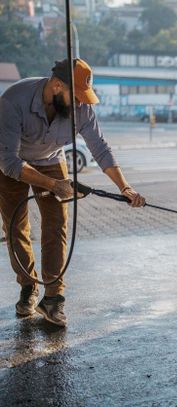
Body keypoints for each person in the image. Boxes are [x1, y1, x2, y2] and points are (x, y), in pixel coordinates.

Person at [0, 58, 146, 327]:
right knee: (15, 228)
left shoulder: (82, 109)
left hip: (51, 159)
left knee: (56, 225)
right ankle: (28, 287)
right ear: (56, 86)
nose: (81, 104)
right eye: (76, 97)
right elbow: (9, 162)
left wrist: (124, 187)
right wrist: (53, 185)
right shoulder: (13, 101)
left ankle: (53, 299)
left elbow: (100, 149)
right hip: (12, 164)